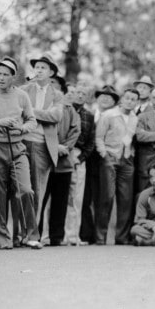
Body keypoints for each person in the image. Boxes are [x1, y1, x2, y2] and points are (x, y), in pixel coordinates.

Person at [0, 57, 42, 249]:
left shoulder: (22, 96)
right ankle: (2, 239)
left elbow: (32, 121)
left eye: (5, 75)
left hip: (17, 149)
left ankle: (31, 235)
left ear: (13, 77)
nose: (1, 78)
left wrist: (21, 129)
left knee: (26, 190)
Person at [20, 54, 61, 236]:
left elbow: (56, 116)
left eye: (43, 68)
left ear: (51, 72)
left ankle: (32, 234)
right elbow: (16, 109)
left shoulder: (57, 94)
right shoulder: (24, 90)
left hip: (42, 145)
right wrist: (42, 113)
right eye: (37, 67)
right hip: (21, 142)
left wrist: (29, 111)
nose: (39, 70)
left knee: (37, 190)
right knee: (20, 188)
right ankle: (17, 233)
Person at [39, 78, 81, 246]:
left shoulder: (69, 109)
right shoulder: (42, 107)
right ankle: (36, 235)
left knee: (60, 201)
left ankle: (56, 237)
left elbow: (75, 130)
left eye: (56, 87)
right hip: (44, 158)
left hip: (64, 162)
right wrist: (54, 147)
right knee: (41, 200)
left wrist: (66, 147)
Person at [94, 88, 139, 245]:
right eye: (127, 98)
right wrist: (104, 155)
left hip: (126, 160)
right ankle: (101, 237)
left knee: (126, 199)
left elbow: (131, 138)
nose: (130, 101)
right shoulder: (109, 115)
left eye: (133, 99)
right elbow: (99, 137)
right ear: (122, 99)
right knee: (107, 196)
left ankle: (121, 237)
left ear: (136, 102)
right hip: (110, 158)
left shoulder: (134, 118)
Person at [80, 85, 118, 245]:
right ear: (97, 98)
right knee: (85, 198)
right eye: (102, 96)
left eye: (109, 97)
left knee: (103, 198)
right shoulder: (89, 115)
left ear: (114, 102)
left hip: (104, 161)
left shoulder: (114, 117)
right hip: (86, 160)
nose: (105, 99)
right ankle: (86, 234)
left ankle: (100, 235)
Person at [63, 82, 95, 245]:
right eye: (78, 92)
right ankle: (59, 236)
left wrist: (80, 158)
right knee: (62, 197)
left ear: (88, 97)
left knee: (77, 198)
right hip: (63, 154)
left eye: (84, 93)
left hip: (78, 157)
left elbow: (91, 142)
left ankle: (74, 236)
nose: (80, 95)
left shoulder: (89, 116)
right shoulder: (64, 109)